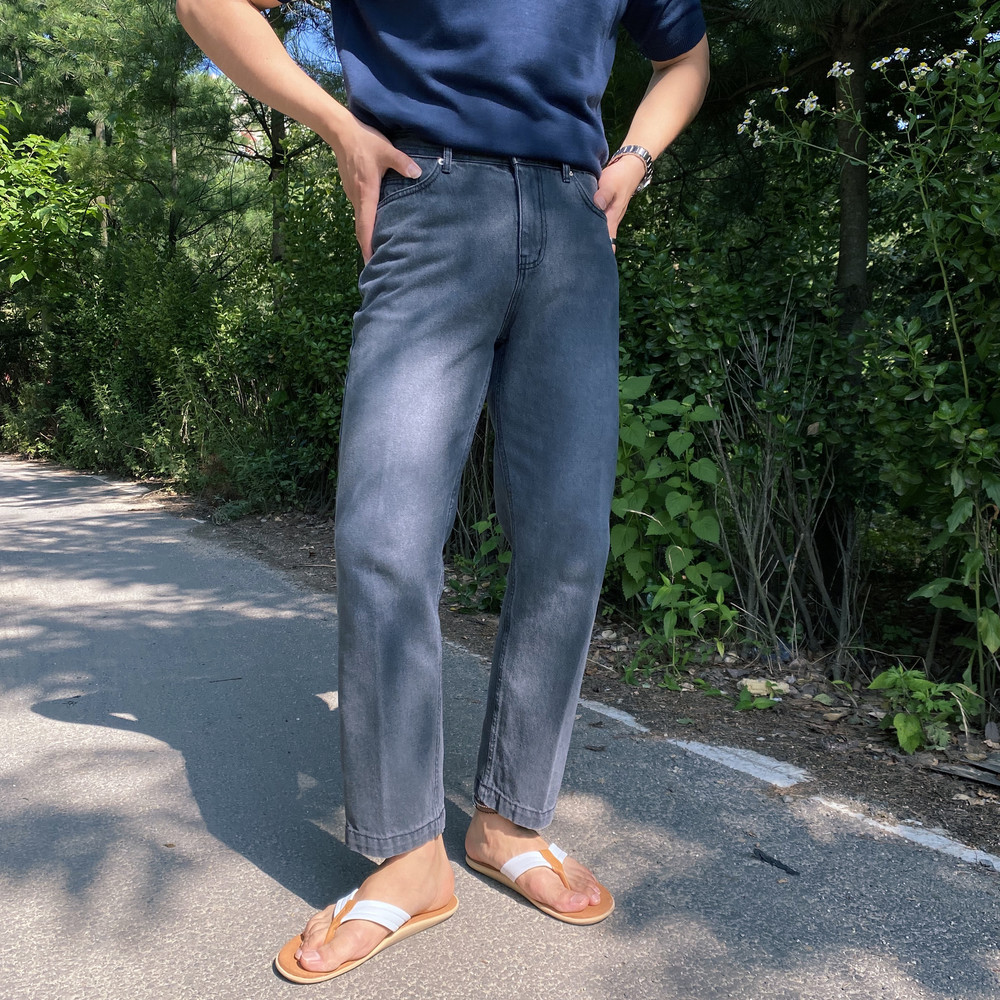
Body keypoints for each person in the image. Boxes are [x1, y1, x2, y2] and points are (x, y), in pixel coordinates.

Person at [176, 0, 709, 984]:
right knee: (384, 535)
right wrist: (338, 125)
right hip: (430, 195)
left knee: (568, 539)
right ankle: (406, 856)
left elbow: (686, 58)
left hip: (574, 219)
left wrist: (634, 158)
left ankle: (509, 822)